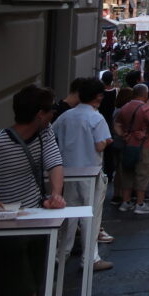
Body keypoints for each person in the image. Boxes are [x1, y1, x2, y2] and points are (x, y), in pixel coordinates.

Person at [0, 85, 67, 296]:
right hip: (5, 233)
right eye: (51, 109)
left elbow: (54, 163)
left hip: (34, 223)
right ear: (39, 114)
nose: (54, 113)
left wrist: (56, 194)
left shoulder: (45, 134)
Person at [52, 78, 113, 272]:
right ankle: (90, 258)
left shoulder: (65, 117)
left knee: (68, 216)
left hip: (67, 172)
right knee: (91, 216)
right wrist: (108, 141)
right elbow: (99, 144)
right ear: (98, 97)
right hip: (90, 172)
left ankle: (61, 254)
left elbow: (53, 139)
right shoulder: (96, 117)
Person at [114, 83, 149, 214]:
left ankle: (125, 202)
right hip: (143, 145)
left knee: (127, 172)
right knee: (142, 173)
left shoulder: (125, 107)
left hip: (128, 144)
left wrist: (122, 134)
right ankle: (139, 203)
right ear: (145, 95)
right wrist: (146, 133)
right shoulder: (145, 108)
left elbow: (117, 123)